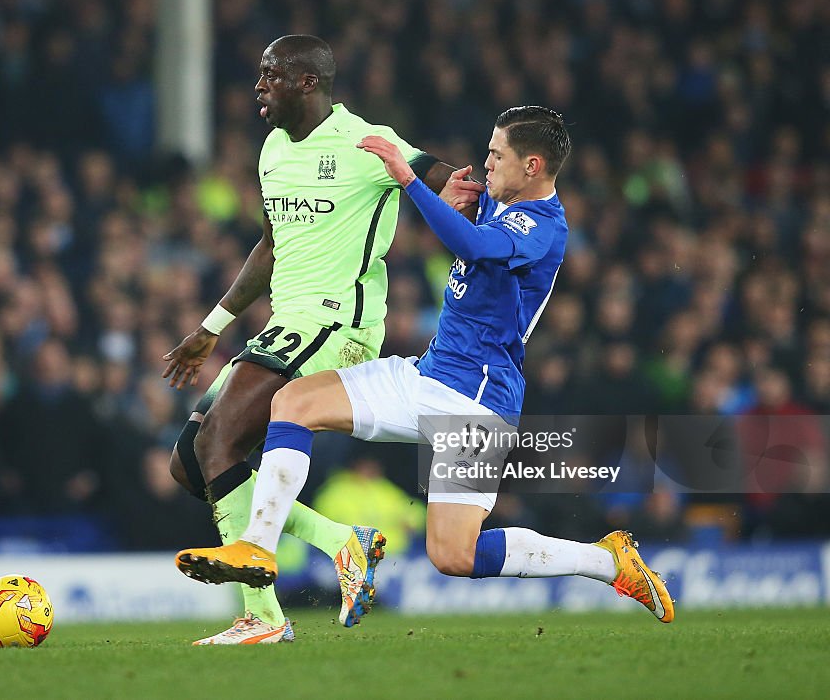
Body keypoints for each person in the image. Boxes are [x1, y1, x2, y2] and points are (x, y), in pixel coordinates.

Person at [177, 106, 675, 625]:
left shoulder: (543, 225)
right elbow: (469, 230)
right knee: (294, 401)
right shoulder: (497, 202)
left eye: (496, 155)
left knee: (453, 555)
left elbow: (476, 247)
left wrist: (409, 181)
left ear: (532, 165)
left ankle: (606, 560)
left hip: (477, 402)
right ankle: (257, 546)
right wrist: (451, 201)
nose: (485, 164)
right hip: (427, 374)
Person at [163, 35, 470, 645]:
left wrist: (470, 192)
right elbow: (272, 246)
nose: (259, 88)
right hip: (287, 323)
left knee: (220, 442)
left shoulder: (364, 140)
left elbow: (441, 175)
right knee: (189, 465)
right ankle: (341, 542)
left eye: (270, 75)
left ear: (307, 82)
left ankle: (263, 619)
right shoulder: (274, 149)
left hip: (338, 324)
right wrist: (210, 328)